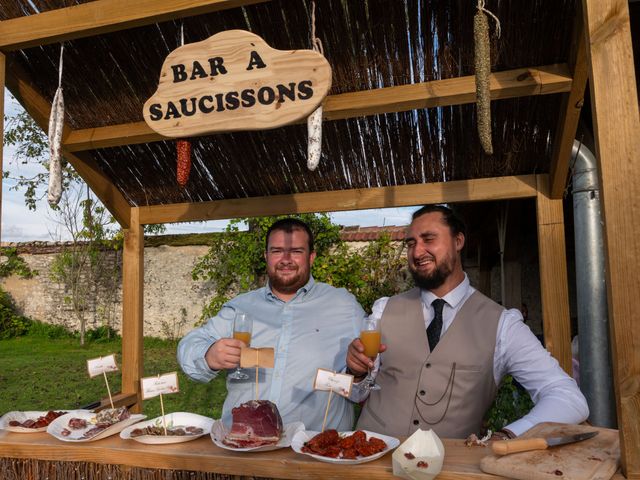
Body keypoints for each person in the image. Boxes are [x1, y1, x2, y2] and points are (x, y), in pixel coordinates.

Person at [347, 205, 588, 439]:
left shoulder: (502, 325)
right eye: (411, 243)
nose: (417, 252)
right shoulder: (384, 309)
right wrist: (356, 374)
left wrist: (510, 434)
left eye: (428, 239)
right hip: (370, 459)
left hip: (450, 470)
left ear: (458, 241)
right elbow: (358, 394)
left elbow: (568, 397)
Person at [178, 218, 366, 431]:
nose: (286, 260)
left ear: (311, 257)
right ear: (266, 256)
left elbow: (369, 379)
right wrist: (208, 355)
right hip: (244, 445)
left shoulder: (344, 306)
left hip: (313, 449)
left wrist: (358, 372)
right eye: (277, 251)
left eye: (296, 251)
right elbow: (188, 345)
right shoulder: (241, 306)